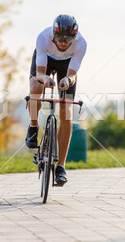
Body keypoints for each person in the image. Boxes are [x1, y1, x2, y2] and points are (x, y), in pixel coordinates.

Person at [25, 14, 87, 186]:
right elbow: (39, 74)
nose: (63, 43)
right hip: (45, 61)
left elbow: (72, 75)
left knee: (66, 112)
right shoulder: (43, 38)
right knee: (36, 88)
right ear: (53, 34)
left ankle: (61, 166)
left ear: (75, 37)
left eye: (68, 40)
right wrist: (46, 80)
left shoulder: (81, 44)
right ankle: (33, 126)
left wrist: (67, 80)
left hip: (66, 66)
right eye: (60, 39)